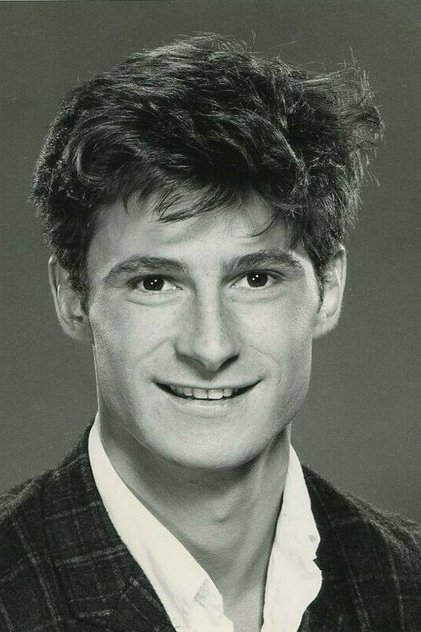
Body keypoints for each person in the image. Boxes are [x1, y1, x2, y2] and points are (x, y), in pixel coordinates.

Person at [0, 34, 419, 632]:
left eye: (255, 278)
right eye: (154, 283)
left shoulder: (408, 585)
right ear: (73, 297)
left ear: (328, 288)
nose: (210, 347)